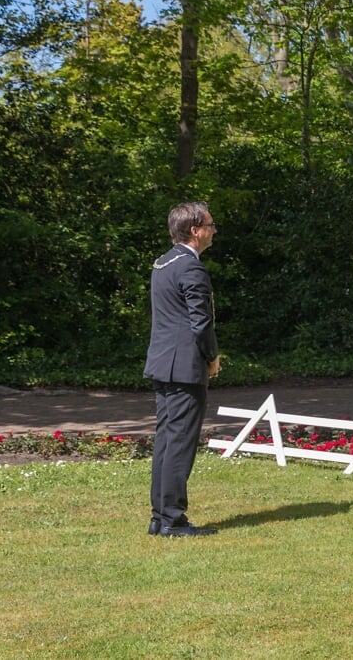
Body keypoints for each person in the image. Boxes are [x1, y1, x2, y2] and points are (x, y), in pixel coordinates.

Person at [145, 201, 222, 537]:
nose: (214, 230)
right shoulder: (191, 268)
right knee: (179, 444)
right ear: (195, 230)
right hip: (184, 366)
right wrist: (212, 357)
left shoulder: (163, 263)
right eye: (210, 224)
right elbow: (200, 322)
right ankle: (172, 520)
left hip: (163, 363)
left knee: (166, 442)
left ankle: (160, 517)